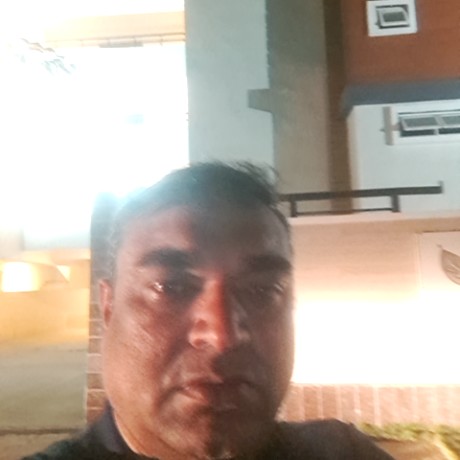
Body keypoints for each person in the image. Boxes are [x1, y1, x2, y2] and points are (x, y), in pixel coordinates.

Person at [23, 163, 394, 460]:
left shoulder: (341, 452)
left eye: (262, 290)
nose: (223, 336)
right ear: (108, 307)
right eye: (171, 287)